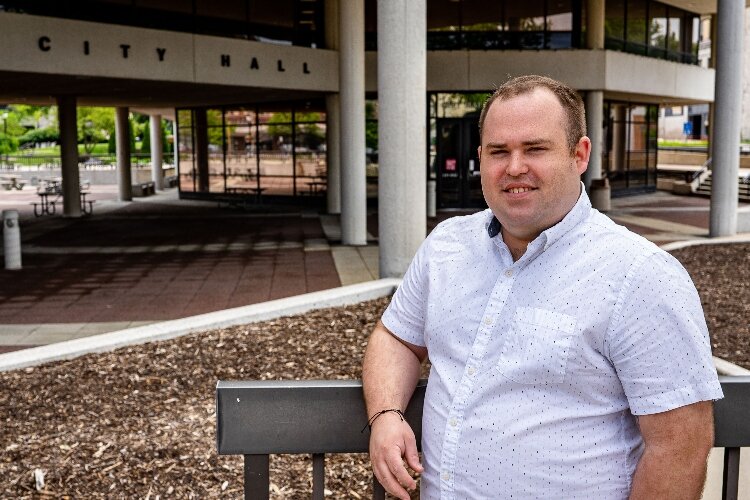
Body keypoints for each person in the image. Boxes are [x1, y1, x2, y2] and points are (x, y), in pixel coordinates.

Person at [362, 75, 723, 499]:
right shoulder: (446, 245)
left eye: (535, 148)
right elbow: (396, 338)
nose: (515, 167)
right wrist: (386, 415)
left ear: (579, 154)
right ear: (481, 158)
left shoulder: (642, 275)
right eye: (499, 152)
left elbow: (679, 448)